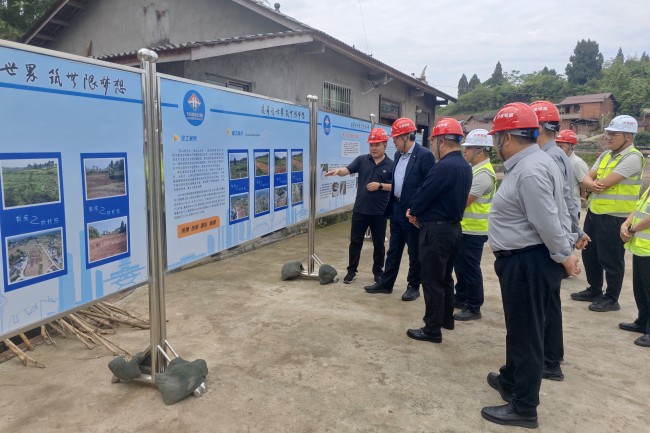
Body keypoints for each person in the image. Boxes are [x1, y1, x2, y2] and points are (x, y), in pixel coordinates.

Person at [482, 102, 581, 429]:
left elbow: (548, 221)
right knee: (520, 328)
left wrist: (565, 255)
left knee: (526, 334)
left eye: (497, 138)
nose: (496, 144)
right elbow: (559, 211)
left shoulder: (530, 170)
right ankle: (511, 380)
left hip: (529, 261)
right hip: (524, 260)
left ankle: (524, 407)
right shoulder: (534, 162)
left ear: (508, 137)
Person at [530, 101, 588, 382]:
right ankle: (552, 356)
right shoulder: (556, 155)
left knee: (545, 305)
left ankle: (550, 362)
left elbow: (555, 207)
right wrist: (576, 232)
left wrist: (567, 241)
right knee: (549, 302)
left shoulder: (547, 158)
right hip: (557, 237)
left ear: (539, 127)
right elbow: (567, 202)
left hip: (547, 242)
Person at [404, 117, 472, 343]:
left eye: (433, 141)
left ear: (441, 141)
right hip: (454, 230)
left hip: (436, 232)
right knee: (445, 277)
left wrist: (413, 210)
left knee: (432, 280)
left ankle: (432, 329)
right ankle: (446, 319)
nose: (432, 145)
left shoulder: (442, 167)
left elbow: (423, 195)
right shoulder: (464, 166)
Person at [571, 115, 646, 312]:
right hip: (595, 213)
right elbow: (586, 179)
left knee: (611, 259)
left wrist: (591, 184)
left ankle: (612, 298)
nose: (608, 138)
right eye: (607, 133)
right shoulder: (605, 155)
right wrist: (590, 184)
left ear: (628, 137)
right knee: (590, 254)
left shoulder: (633, 157)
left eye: (613, 134)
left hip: (615, 217)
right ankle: (594, 289)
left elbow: (603, 184)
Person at [364, 117, 435, 301]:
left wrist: (418, 211)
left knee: (414, 251)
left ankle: (413, 286)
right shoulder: (397, 155)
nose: (393, 142)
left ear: (406, 136)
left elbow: (429, 187)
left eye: (396, 138)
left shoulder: (424, 155)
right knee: (394, 249)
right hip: (396, 208)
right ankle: (386, 283)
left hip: (412, 212)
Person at [326, 128, 394, 284]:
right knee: (355, 242)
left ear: (385, 144)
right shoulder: (362, 160)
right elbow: (347, 170)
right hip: (360, 210)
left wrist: (380, 185)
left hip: (379, 212)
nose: (373, 148)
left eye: (377, 145)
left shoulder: (391, 165)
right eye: (371, 145)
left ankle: (378, 272)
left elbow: (396, 187)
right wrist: (338, 171)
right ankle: (351, 271)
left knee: (379, 244)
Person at [452, 129, 496, 321]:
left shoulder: (483, 174)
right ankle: (461, 296)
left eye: (468, 148)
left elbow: (463, 201)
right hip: (466, 228)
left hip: (474, 231)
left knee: (470, 269)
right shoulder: (475, 170)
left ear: (480, 150)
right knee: (460, 266)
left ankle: (474, 306)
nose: (465, 151)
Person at [619, 183, 650, 347]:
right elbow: (638, 209)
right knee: (640, 288)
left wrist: (632, 229)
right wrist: (625, 224)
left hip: (647, 248)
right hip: (641, 247)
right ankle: (643, 321)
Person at [556, 129, 589, 217]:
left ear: (572, 146)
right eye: (557, 146)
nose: (558, 149)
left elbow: (584, 184)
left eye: (561, 146)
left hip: (572, 208)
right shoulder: (558, 160)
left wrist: (582, 198)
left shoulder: (577, 163)